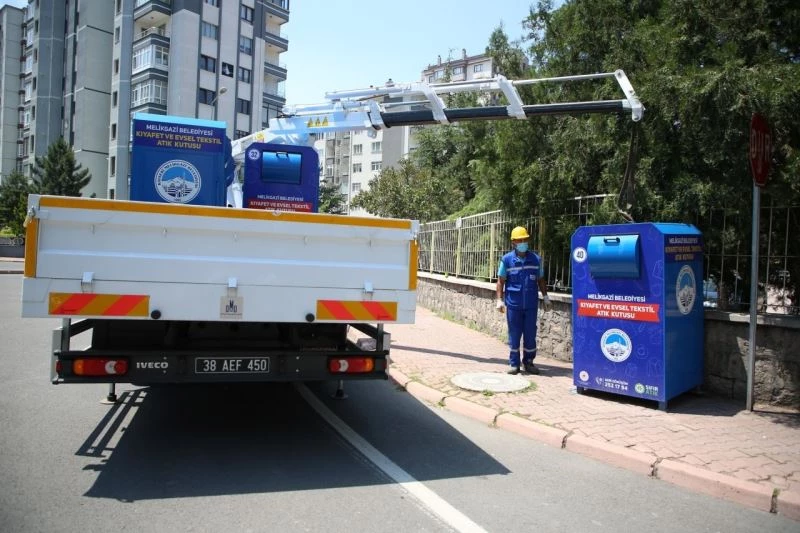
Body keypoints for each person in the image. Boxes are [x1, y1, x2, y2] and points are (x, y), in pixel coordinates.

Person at [496, 226, 552, 375]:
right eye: (520, 240)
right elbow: (501, 281)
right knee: (514, 334)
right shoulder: (507, 260)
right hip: (513, 304)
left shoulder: (535, 259)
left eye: (525, 240)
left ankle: (529, 362)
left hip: (531, 305)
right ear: (513, 242)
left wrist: (546, 297)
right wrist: (499, 300)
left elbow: (541, 279)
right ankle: (514, 364)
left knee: (530, 334)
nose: (523, 243)